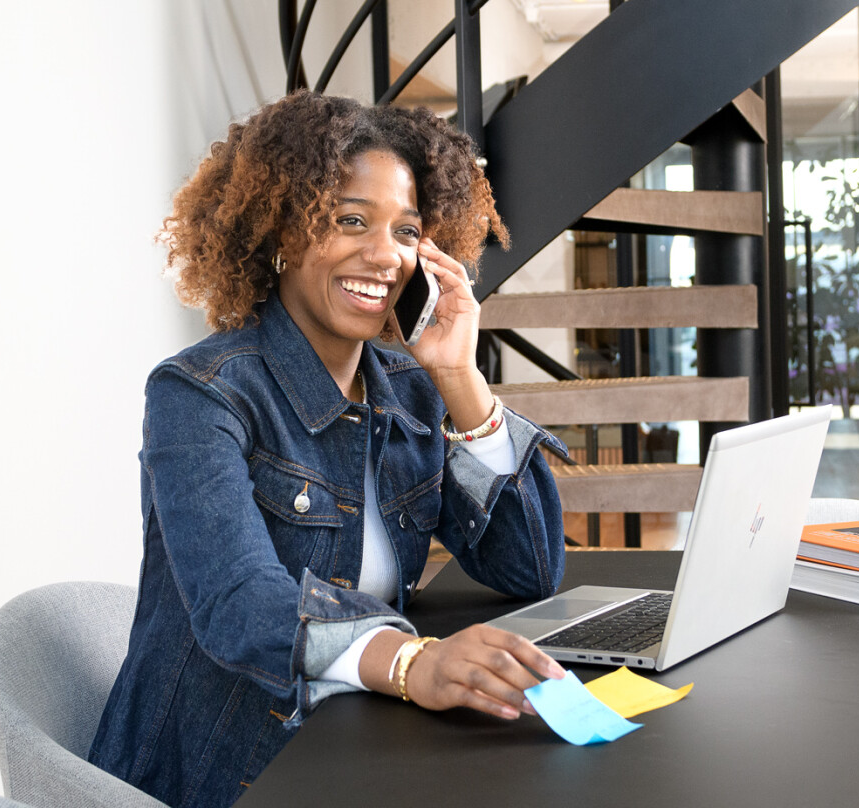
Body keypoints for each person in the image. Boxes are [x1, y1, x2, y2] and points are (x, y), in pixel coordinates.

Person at [86, 91, 570, 808]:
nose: (384, 255)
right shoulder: (199, 395)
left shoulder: (409, 388)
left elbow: (529, 568)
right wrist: (415, 663)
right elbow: (240, 604)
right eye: (350, 221)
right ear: (282, 226)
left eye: (406, 231)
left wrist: (461, 378)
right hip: (225, 771)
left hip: (357, 738)